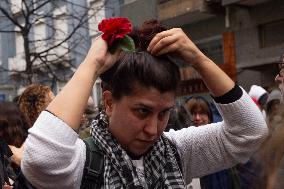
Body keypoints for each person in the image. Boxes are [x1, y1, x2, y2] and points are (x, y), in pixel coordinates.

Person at [21, 19, 267, 188]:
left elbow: (250, 132)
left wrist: (197, 58)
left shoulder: (176, 151)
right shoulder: (81, 162)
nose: (153, 129)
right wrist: (91, 65)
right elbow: (41, 158)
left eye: (163, 114)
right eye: (142, 111)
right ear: (108, 103)